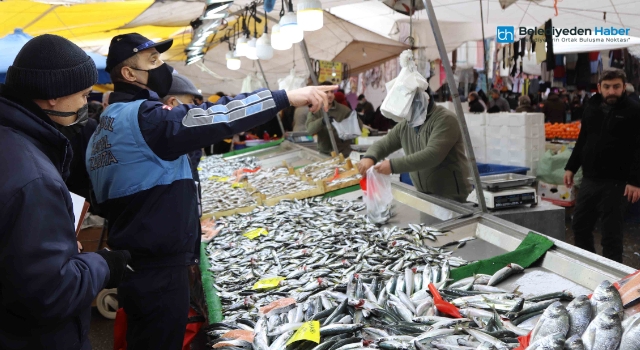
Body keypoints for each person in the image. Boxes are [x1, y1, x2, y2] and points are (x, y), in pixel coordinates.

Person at [89, 33, 335, 349]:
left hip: (136, 261)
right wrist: (284, 97)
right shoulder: (145, 118)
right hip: (158, 268)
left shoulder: (107, 124)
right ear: (129, 74)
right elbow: (219, 115)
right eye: (153, 61)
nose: (163, 66)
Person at [0, 34, 129, 350]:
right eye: (84, 94)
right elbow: (52, 292)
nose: (87, 103)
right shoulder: (33, 175)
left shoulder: (12, 142)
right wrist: (104, 265)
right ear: (52, 96)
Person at [564, 68, 640, 263]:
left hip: (617, 182)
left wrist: (635, 181)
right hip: (591, 178)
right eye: (607, 87)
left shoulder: (634, 111)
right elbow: (583, 139)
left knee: (610, 233)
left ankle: (612, 278)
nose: (611, 91)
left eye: (616, 87)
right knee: (580, 225)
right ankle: (588, 265)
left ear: (624, 87)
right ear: (599, 88)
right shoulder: (592, 106)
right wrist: (571, 166)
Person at [357, 89, 471, 203]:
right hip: (425, 196)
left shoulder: (445, 119)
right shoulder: (406, 125)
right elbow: (384, 144)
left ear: (425, 99)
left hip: (453, 198)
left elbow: (432, 155)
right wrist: (370, 157)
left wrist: (392, 166)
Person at [306, 81, 362, 157]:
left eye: (332, 92)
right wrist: (322, 121)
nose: (329, 95)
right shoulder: (315, 110)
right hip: (324, 154)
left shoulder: (344, 110)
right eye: (326, 92)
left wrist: (347, 132)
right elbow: (310, 130)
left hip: (343, 154)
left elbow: (359, 126)